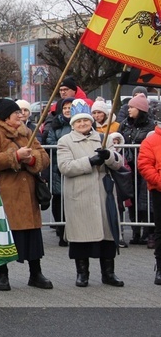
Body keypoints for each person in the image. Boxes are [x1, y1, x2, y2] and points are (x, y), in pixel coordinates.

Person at [0, 99, 52, 291]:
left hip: (28, 192)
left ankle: (35, 273)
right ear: (6, 116)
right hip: (6, 191)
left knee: (32, 235)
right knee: (6, 235)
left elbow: (43, 156)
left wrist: (32, 160)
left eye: (21, 113)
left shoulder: (27, 132)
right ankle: (2, 275)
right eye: (16, 113)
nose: (21, 116)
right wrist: (15, 156)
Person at [57, 99, 125, 288]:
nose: (83, 124)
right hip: (80, 194)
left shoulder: (105, 139)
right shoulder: (65, 141)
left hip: (103, 193)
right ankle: (82, 273)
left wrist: (108, 156)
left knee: (107, 235)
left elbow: (119, 162)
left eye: (86, 121)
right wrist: (90, 161)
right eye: (78, 122)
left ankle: (108, 273)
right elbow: (65, 166)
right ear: (73, 124)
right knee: (81, 237)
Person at [119, 94, 157, 247]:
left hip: (145, 167)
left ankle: (149, 233)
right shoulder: (125, 124)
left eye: (132, 107)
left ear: (140, 109)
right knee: (132, 199)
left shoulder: (151, 126)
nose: (129, 110)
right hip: (129, 166)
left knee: (147, 200)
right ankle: (135, 231)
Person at [45, 97, 74, 247]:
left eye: (70, 107)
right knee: (58, 199)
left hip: (74, 167)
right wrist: (65, 145)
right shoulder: (55, 125)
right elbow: (49, 141)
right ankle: (61, 230)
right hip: (58, 167)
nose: (68, 110)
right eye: (65, 108)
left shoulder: (80, 124)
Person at [137, 119, 161, 285]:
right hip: (159, 190)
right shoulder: (151, 140)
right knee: (160, 230)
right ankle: (160, 267)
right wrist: (159, 182)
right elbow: (144, 164)